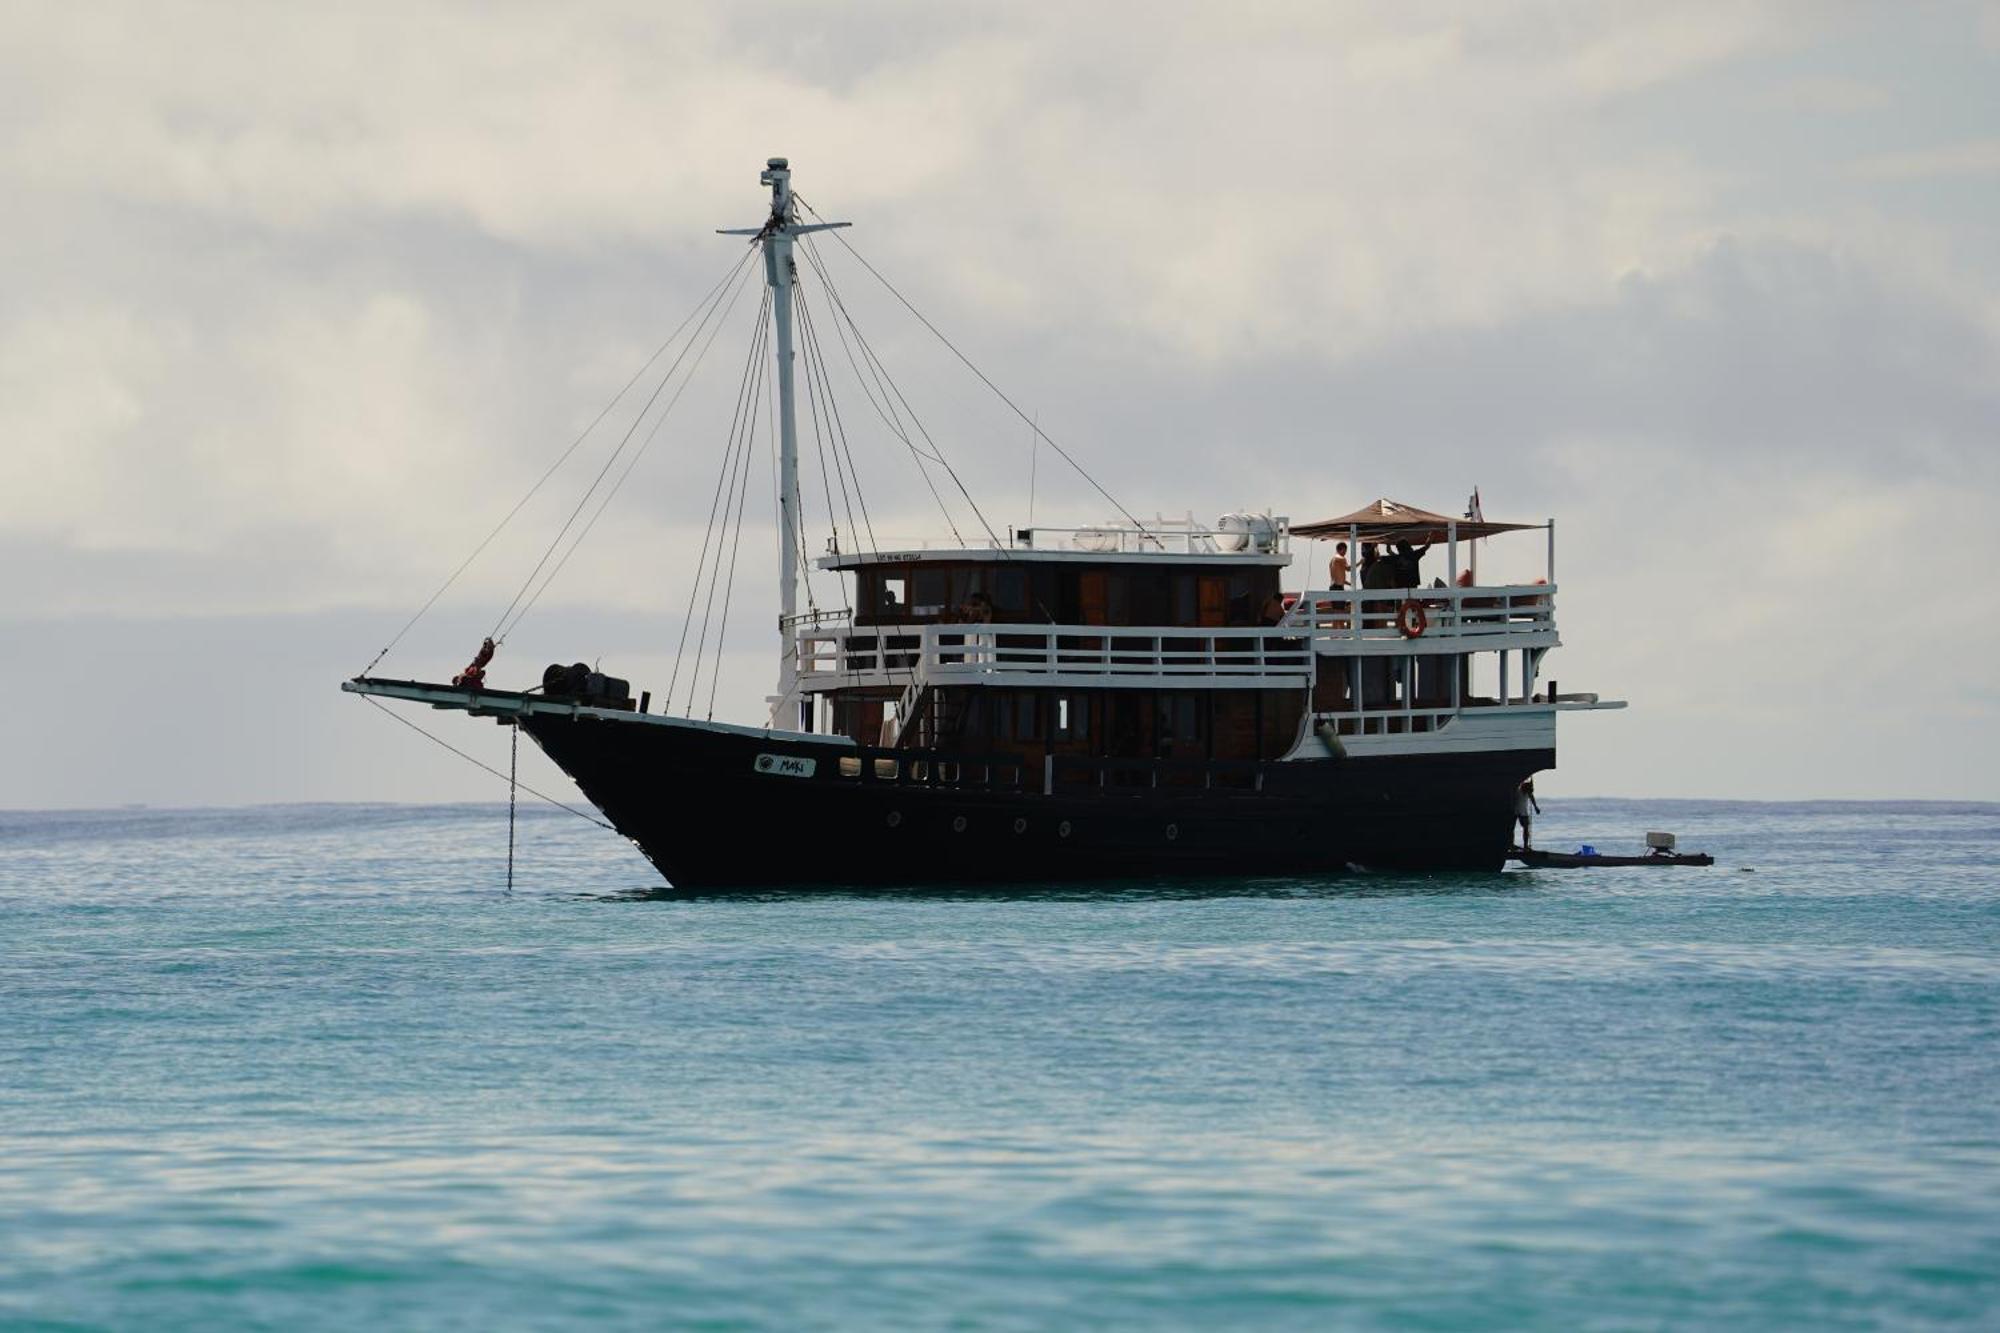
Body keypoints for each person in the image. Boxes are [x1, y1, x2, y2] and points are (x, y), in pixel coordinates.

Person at [1515, 779, 1541, 850]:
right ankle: (1511, 844)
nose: (1529, 793)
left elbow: (1532, 798)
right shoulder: (1518, 791)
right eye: (1529, 791)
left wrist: (1536, 807)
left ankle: (1525, 845)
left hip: (1523, 811)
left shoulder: (1528, 792)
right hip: (1515, 811)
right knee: (1511, 828)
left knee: (1526, 828)